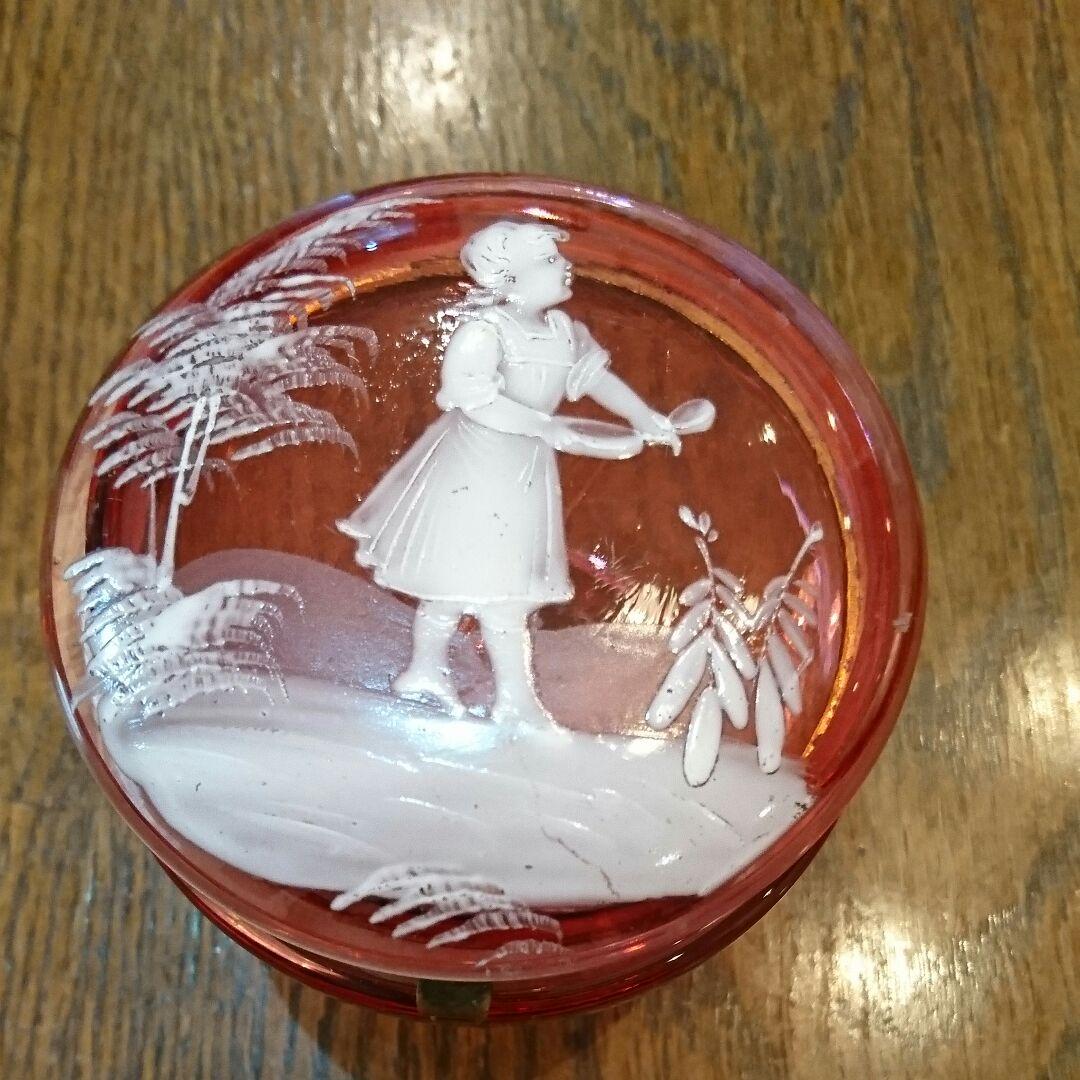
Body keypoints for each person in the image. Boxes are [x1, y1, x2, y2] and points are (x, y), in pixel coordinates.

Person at [338, 220, 680, 725]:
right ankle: (460, 683)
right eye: (549, 260)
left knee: (506, 589)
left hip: (524, 472)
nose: (566, 265)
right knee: (459, 582)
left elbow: (596, 379)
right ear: (510, 279)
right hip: (472, 469)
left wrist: (645, 417)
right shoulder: (484, 332)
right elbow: (473, 399)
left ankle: (475, 687)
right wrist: (547, 426)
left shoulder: (565, 332)